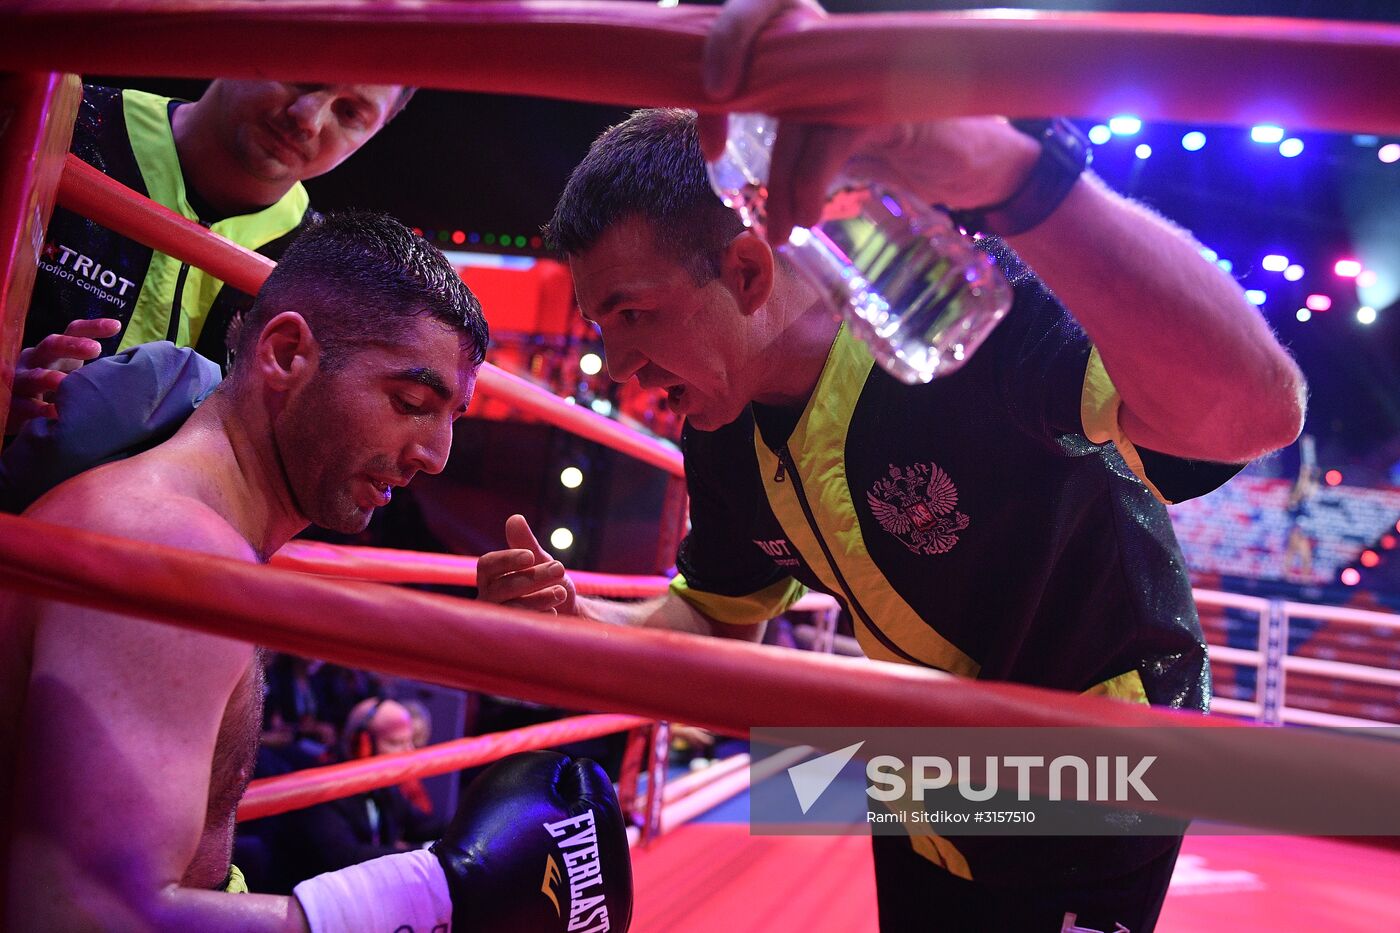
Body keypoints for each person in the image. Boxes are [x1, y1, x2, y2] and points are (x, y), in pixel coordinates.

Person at [487, 53, 1306, 933]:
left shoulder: (966, 318)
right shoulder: (722, 429)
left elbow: (1255, 411)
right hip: (922, 775)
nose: (613, 362)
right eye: (602, 327)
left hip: (1093, 776)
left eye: (633, 314)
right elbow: (720, 621)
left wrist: (1025, 181)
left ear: (750, 272)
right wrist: (584, 624)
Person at [0, 212, 632, 931]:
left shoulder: (203, 534)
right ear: (287, 352)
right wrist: (433, 900)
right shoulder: (169, 546)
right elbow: (82, 912)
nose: (437, 454)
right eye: (410, 402)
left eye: (451, 414)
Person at [8, 79, 412, 435]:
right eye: (302, 76)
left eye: (350, 112)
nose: (307, 117)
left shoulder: (324, 268)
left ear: (375, 132)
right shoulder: (60, 123)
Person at [282, 698, 445, 884]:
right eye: (396, 743)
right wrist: (427, 851)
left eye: (410, 743)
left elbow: (425, 825)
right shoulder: (321, 789)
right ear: (362, 745)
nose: (409, 753)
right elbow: (346, 859)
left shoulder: (384, 787)